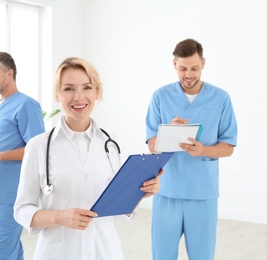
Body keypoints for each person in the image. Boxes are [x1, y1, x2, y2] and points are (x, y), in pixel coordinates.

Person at [14, 57, 163, 259]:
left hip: (104, 250)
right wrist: (61, 217)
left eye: (87, 87)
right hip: (59, 252)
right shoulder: (38, 146)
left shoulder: (112, 144)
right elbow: (22, 210)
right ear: (57, 94)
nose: (78, 97)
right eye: (68, 89)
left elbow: (118, 208)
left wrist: (140, 193)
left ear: (97, 93)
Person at [145, 38, 238, 260]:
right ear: (174, 65)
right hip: (167, 190)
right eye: (183, 68)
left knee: (202, 256)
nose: (189, 74)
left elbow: (228, 147)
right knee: (162, 255)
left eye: (194, 68)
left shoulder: (221, 99)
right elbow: (151, 145)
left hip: (202, 193)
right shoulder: (160, 97)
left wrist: (203, 150)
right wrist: (168, 134)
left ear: (203, 63)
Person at [0, 52, 45, 259]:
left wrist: (0, 156)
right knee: (11, 246)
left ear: (9, 73)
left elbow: (37, 149)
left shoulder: (26, 105)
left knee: (2, 249)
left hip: (13, 193)